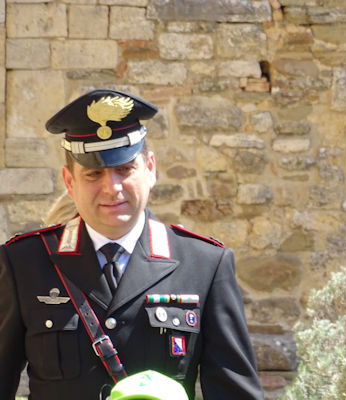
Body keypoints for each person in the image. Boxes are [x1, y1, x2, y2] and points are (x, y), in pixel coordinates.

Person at [0, 89, 264, 400]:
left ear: (150, 169)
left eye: (125, 169)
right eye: (93, 174)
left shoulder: (204, 265)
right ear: (69, 182)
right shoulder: (24, 263)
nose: (112, 188)